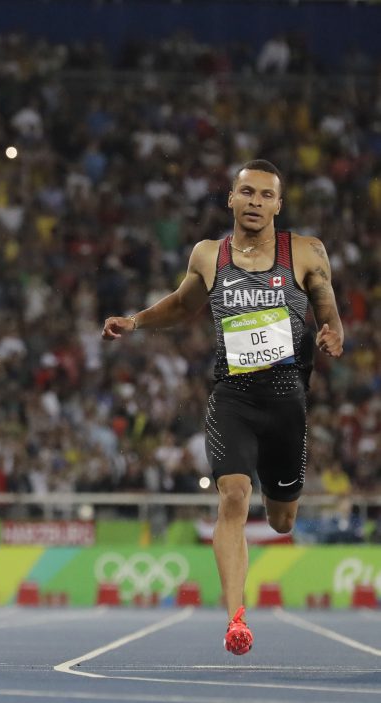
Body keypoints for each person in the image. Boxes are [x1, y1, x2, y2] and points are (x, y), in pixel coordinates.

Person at [102, 160, 343, 655]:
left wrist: (332, 328)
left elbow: (326, 302)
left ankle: (273, 518)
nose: (255, 202)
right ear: (230, 199)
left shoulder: (304, 251)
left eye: (265, 195)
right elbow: (183, 303)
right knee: (233, 497)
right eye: (246, 192)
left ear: (278, 204)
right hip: (232, 397)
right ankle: (236, 618)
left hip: (287, 405)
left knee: (281, 521)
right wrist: (136, 321)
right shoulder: (210, 255)